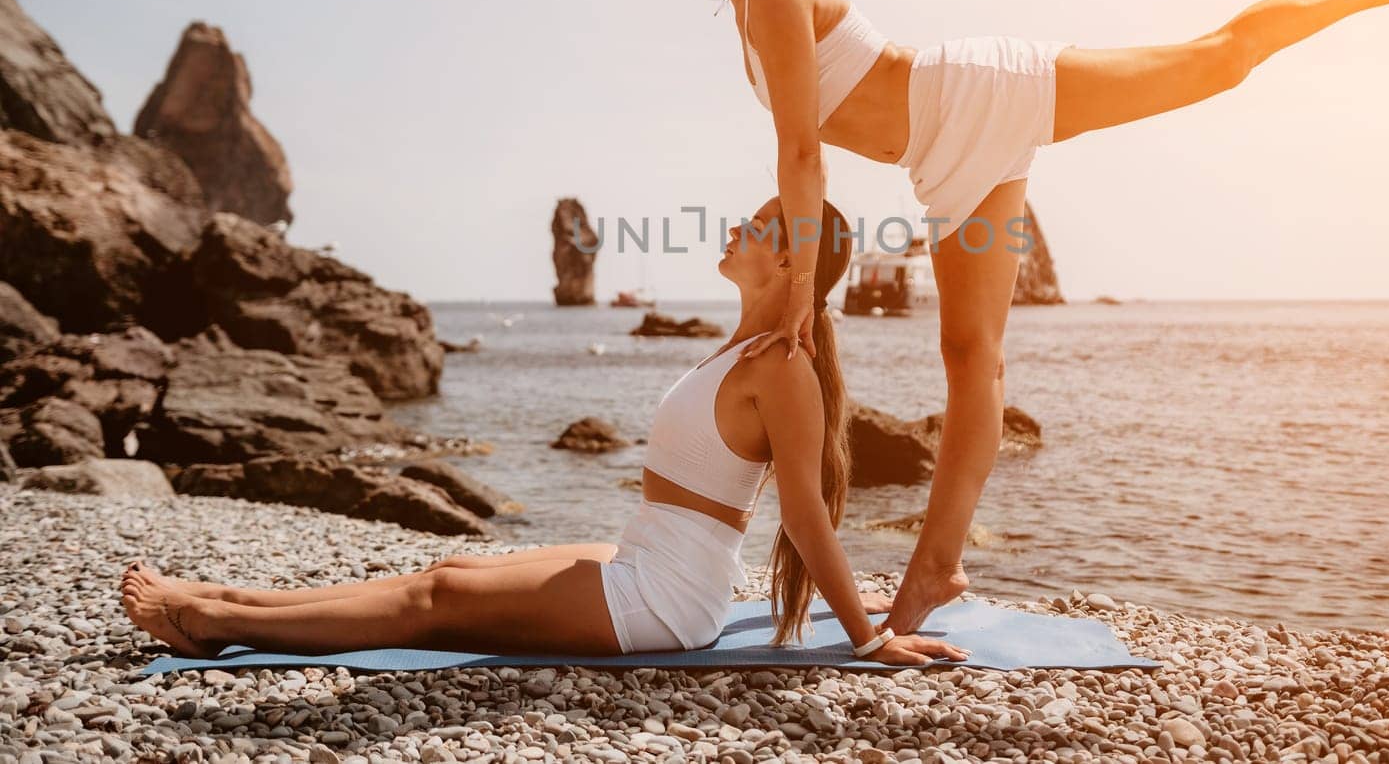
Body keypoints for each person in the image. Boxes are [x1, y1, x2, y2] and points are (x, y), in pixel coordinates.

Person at [665, 0, 1389, 637]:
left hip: (977, 94)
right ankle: (935, 570)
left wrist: (803, 289)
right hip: (941, 159)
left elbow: (803, 155)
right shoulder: (747, 3)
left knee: (1217, 59)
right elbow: (808, 149)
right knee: (969, 353)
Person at [120, 195, 968, 666]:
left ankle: (219, 625)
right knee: (451, 567)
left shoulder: (782, 367)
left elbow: (807, 516)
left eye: (757, 224)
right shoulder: (745, 348)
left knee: (437, 602)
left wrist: (870, 635)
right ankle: (226, 599)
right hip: (647, 557)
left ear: (790, 261)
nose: (736, 228)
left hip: (665, 597)